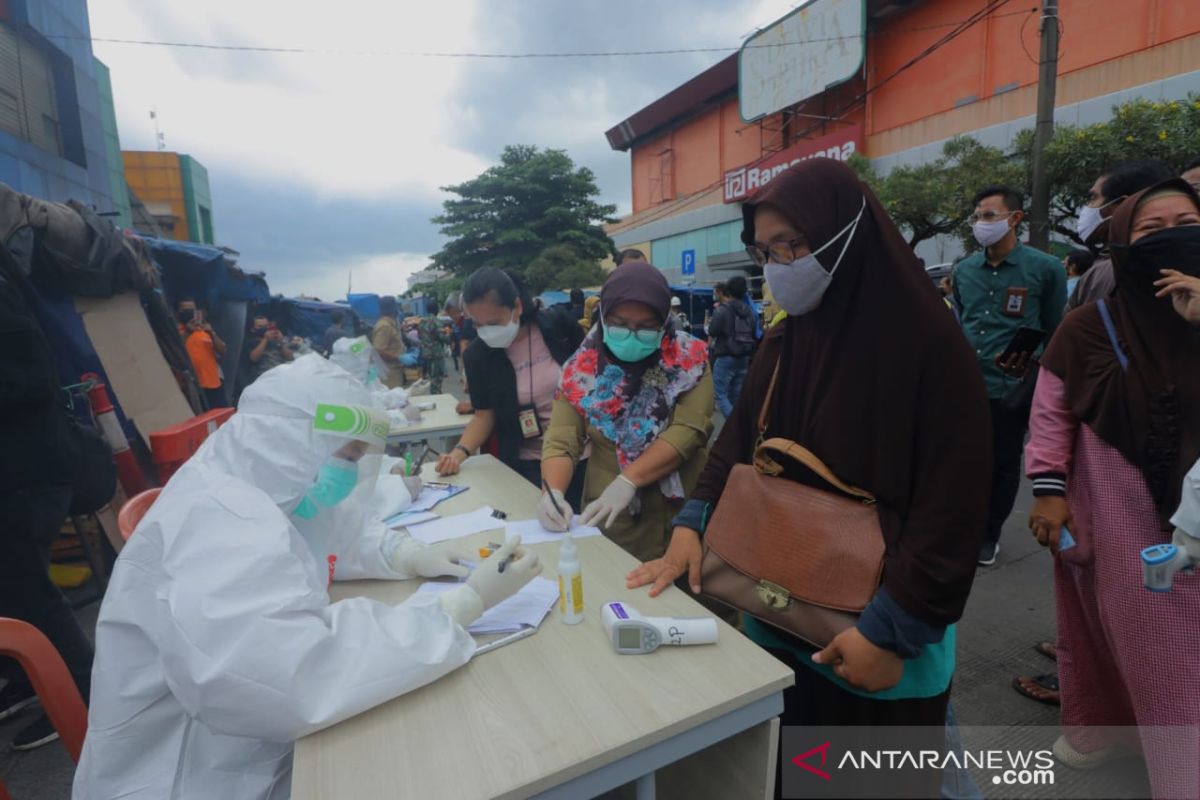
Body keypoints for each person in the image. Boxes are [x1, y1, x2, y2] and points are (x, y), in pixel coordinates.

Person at [627, 159, 991, 799]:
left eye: (791, 246)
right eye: (764, 251)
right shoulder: (786, 339)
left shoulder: (928, 346)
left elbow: (952, 508)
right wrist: (691, 524)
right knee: (797, 775)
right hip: (778, 609)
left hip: (878, 626)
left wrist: (891, 631)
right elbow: (738, 441)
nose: (776, 266)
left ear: (847, 232)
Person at [72, 355, 543, 799]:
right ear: (295, 439)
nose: (347, 471)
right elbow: (295, 678)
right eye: (348, 454)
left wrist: (407, 554)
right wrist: (453, 609)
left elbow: (315, 533)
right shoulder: (220, 519)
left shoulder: (245, 479)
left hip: (234, 752)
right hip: (187, 777)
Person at [1024, 178, 1200, 796]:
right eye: (1154, 229)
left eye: (1189, 222)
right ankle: (1110, 735)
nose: (1177, 237)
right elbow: (1051, 413)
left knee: (1176, 651)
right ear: (1124, 245)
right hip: (1117, 508)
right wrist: (1048, 490)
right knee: (1117, 631)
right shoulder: (1087, 326)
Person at [540, 261, 714, 562]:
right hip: (613, 513)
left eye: (646, 327)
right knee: (619, 591)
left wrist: (629, 480)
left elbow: (689, 430)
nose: (631, 334)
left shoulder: (691, 359)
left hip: (686, 510)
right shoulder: (579, 371)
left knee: (691, 596)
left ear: (664, 323)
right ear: (603, 318)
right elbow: (562, 439)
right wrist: (552, 493)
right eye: (619, 323)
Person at [0, 248, 94, 752]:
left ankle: (78, 695)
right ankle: (26, 680)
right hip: (22, 465)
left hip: (25, 469)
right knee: (11, 590)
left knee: (28, 589)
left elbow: (30, 379)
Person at [953, 185, 1066, 566]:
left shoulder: (1045, 268)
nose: (980, 224)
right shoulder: (964, 270)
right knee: (964, 462)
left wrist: (1031, 361)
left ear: (1015, 218)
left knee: (1002, 464)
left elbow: (1054, 330)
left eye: (988, 215)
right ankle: (962, 527)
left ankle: (988, 535)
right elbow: (964, 320)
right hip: (967, 386)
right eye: (976, 217)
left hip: (1011, 389)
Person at [435, 268, 586, 507]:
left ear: (516, 306)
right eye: (478, 324)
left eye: (494, 322)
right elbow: (484, 416)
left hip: (584, 456)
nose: (487, 332)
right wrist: (458, 453)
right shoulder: (478, 356)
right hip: (529, 463)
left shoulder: (557, 327)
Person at [1068, 159, 1174, 310]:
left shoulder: (1116, 270)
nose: (1087, 208)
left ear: (1123, 205)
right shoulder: (1106, 263)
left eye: (1093, 198)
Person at [706, 275, 756, 418]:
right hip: (744, 357)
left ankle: (735, 427)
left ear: (728, 290)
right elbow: (754, 331)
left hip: (726, 356)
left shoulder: (723, 310)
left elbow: (712, 331)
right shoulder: (749, 311)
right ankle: (738, 431)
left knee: (719, 394)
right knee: (736, 396)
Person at [179, 306, 229, 409]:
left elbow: (223, 351)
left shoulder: (205, 330)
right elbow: (177, 348)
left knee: (222, 415)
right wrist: (188, 331)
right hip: (193, 385)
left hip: (213, 381)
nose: (190, 313)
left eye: (193, 310)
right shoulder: (179, 330)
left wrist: (211, 333)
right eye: (186, 310)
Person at [245, 315, 295, 386]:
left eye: (266, 326)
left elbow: (290, 357)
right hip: (262, 377)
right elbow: (253, 359)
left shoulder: (277, 339)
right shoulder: (252, 342)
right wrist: (265, 340)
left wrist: (281, 342)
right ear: (253, 329)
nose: (264, 329)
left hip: (281, 375)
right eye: (260, 326)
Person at [371, 295, 406, 389]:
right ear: (392, 310)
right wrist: (399, 358)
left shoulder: (391, 324)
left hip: (394, 370)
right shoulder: (385, 326)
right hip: (389, 373)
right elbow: (378, 349)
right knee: (393, 400)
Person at [417, 314, 451, 393]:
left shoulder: (422, 322)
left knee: (431, 375)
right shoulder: (437, 322)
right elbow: (442, 337)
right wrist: (448, 334)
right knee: (437, 377)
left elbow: (419, 336)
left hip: (426, 352)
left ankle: (434, 393)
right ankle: (436, 395)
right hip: (436, 353)